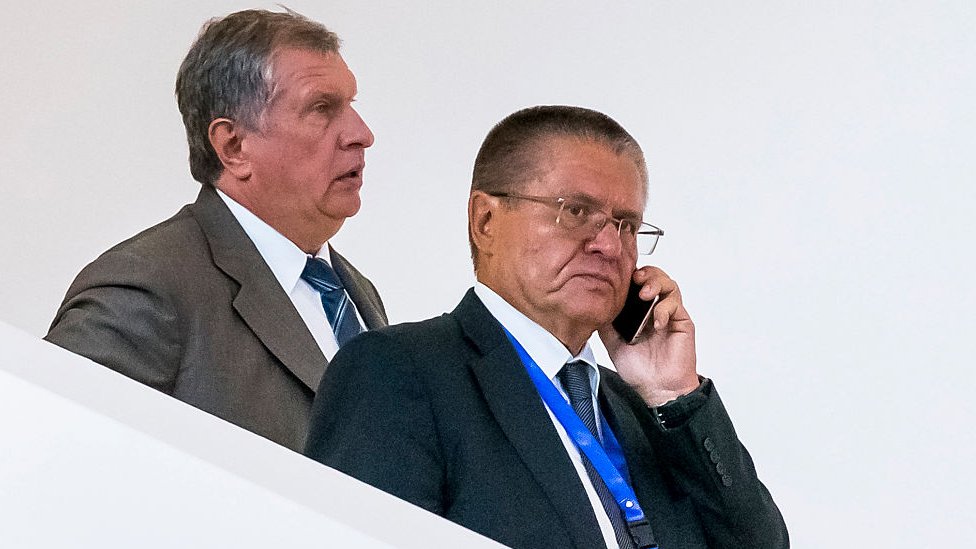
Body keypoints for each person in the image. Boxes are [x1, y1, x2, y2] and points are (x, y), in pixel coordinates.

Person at [305, 106, 788, 548]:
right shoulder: (397, 373)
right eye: (576, 212)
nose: (609, 246)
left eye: (625, 224)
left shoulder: (647, 413)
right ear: (485, 220)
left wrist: (674, 397)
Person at [45, 9, 387, 453]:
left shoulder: (355, 293)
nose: (361, 134)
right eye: (322, 108)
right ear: (233, 146)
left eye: (352, 106)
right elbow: (54, 455)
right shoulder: (146, 287)